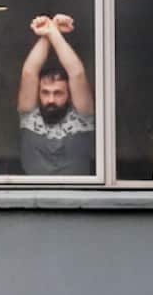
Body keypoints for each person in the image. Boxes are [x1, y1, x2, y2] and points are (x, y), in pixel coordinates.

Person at [17, 13, 95, 175]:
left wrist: (53, 32)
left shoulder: (82, 117)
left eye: (58, 93)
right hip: (32, 192)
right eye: (45, 92)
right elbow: (29, 73)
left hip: (77, 191)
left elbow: (77, 73)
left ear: (69, 95)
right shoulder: (30, 115)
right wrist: (50, 31)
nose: (50, 99)